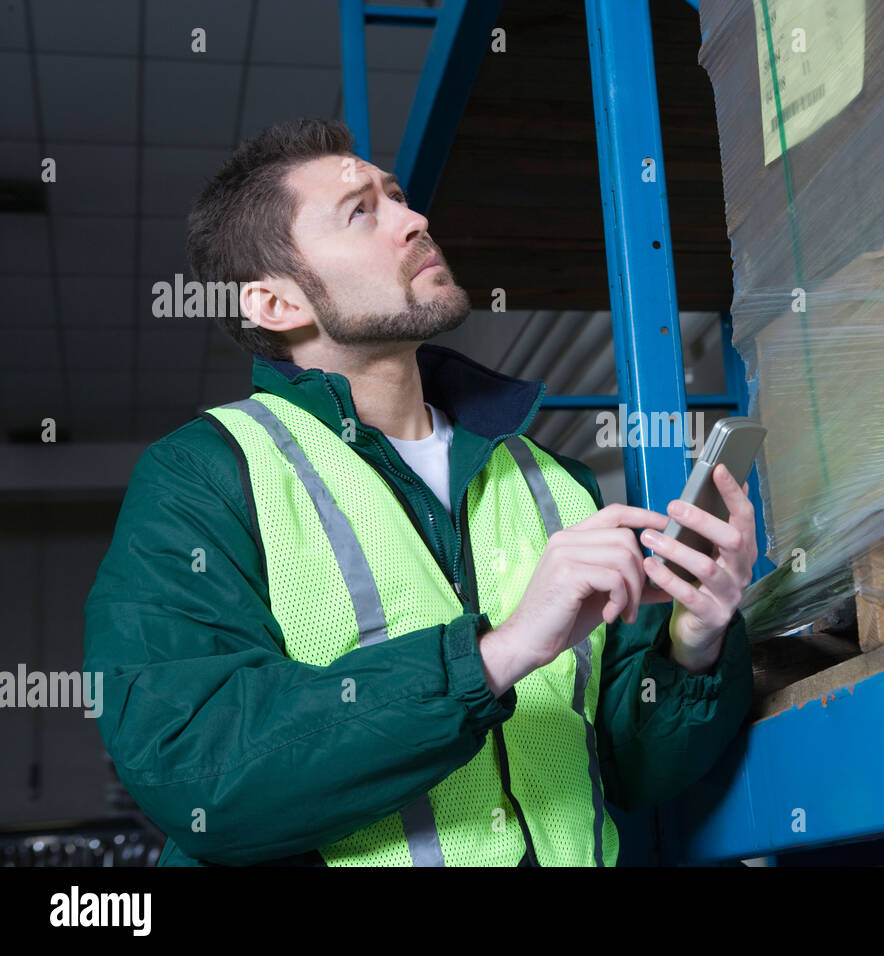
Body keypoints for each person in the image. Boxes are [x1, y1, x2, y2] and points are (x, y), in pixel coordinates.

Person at [82, 118, 755, 867]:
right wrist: (497, 656)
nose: (414, 220)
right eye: (361, 212)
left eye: (398, 197)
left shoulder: (550, 481)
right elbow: (197, 772)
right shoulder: (205, 476)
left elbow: (633, 770)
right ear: (276, 305)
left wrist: (695, 647)